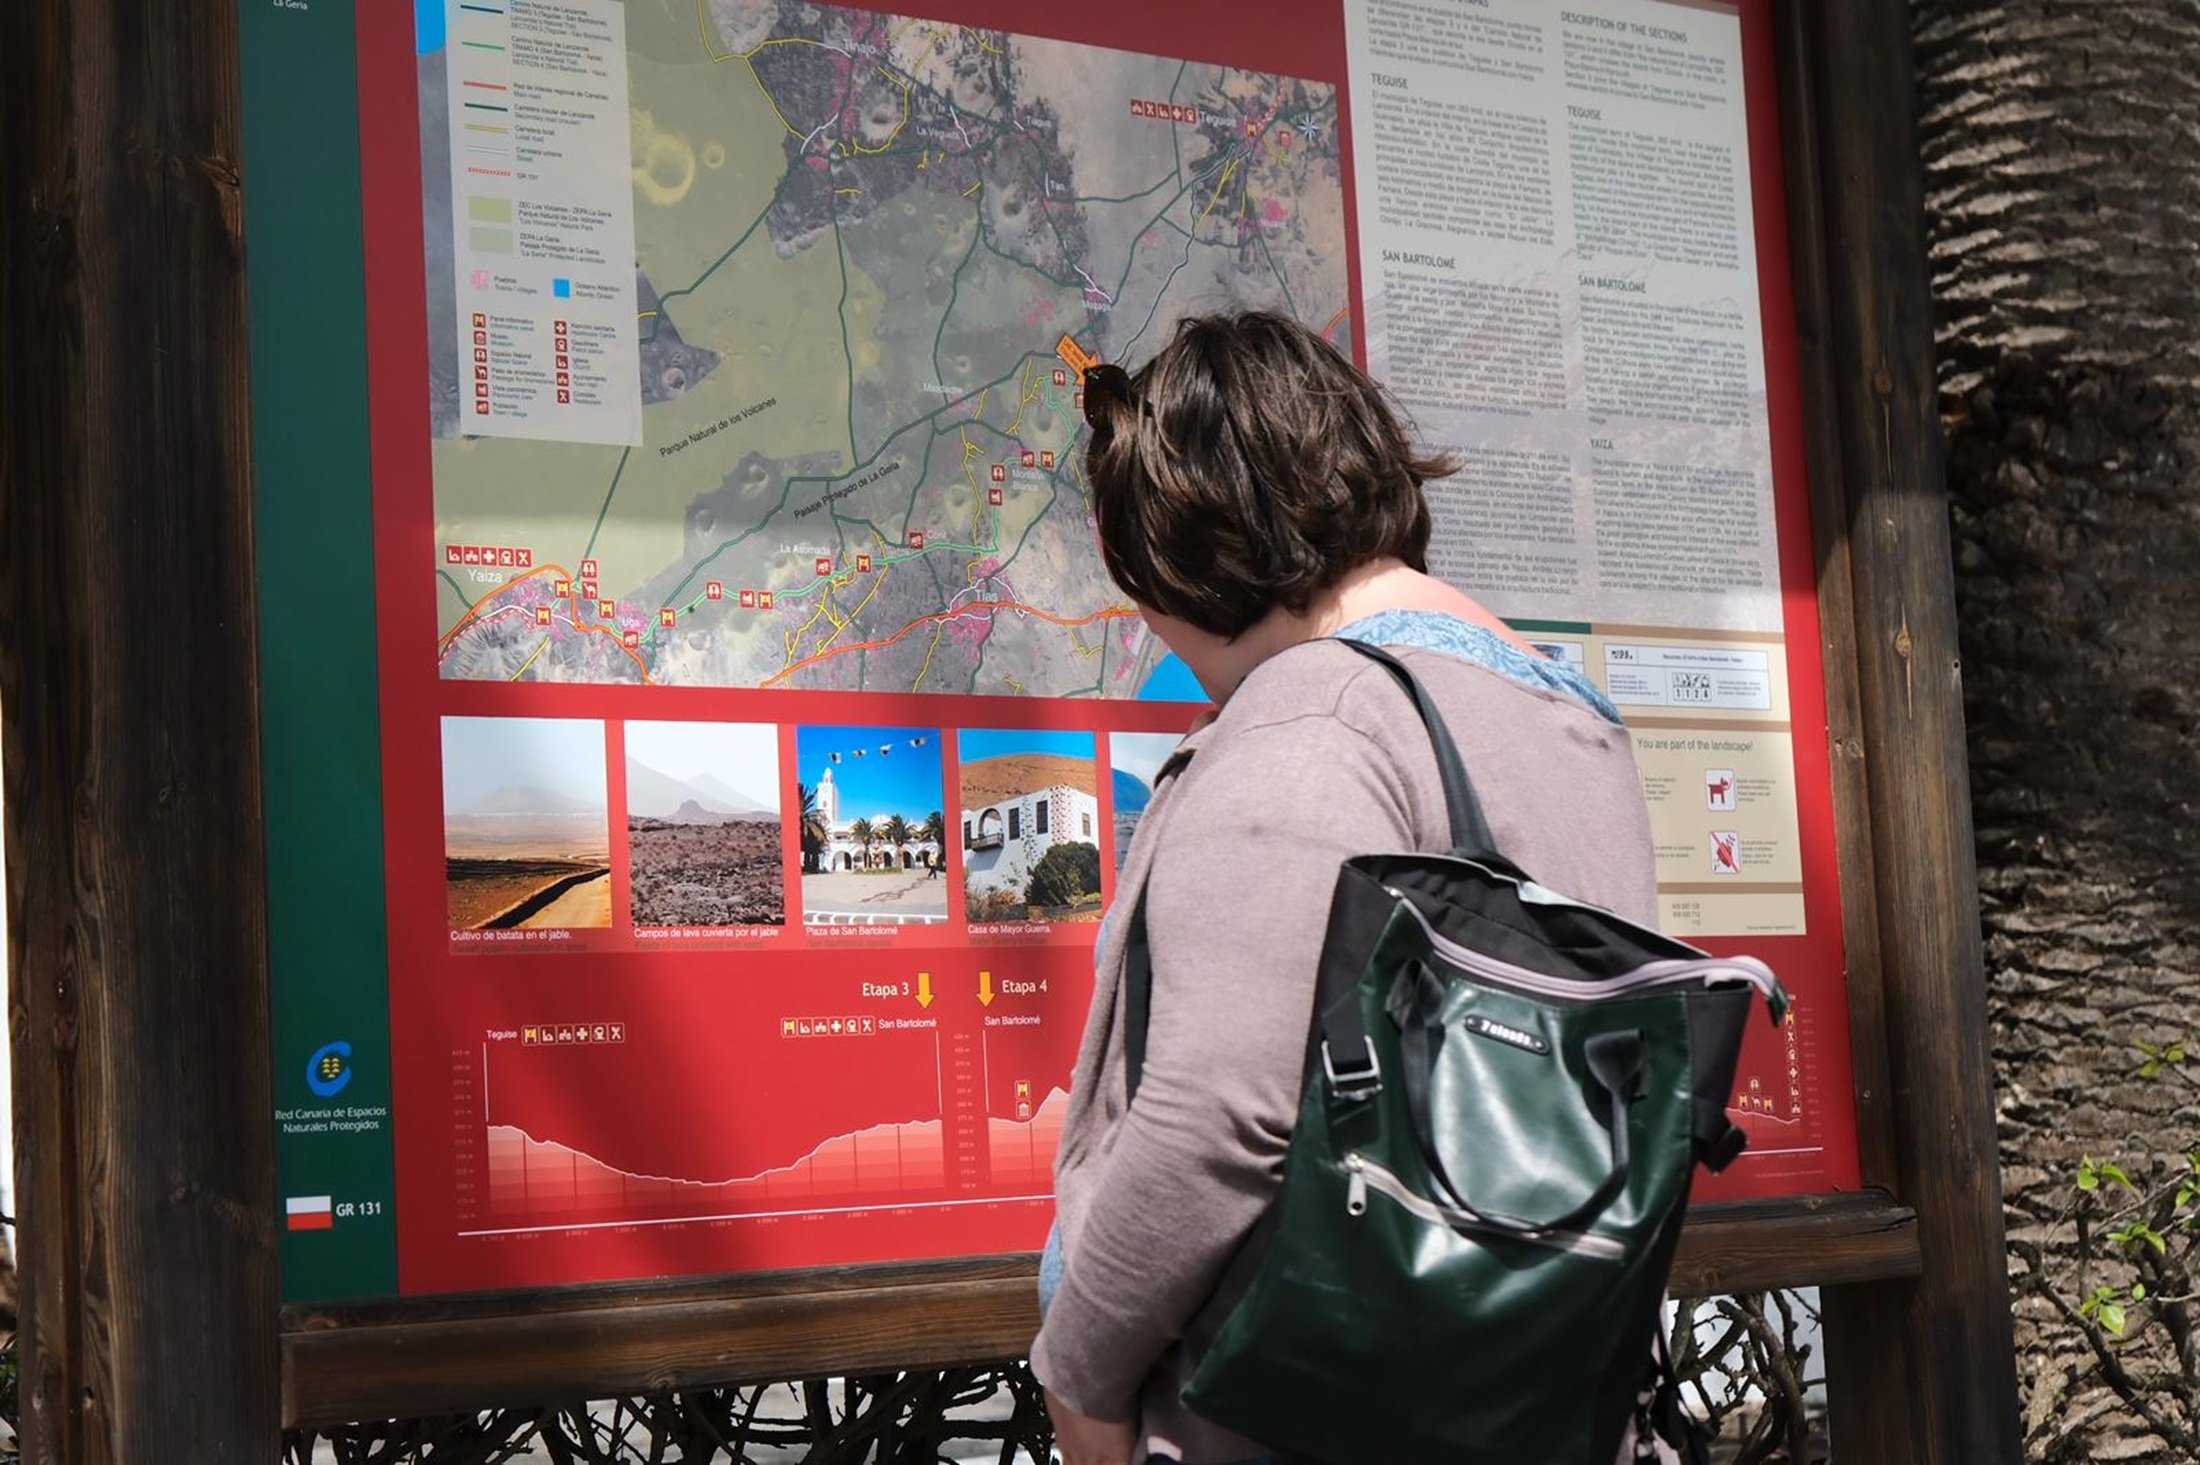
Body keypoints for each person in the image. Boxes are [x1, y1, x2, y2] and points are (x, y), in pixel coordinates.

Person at [1030, 312, 1662, 1465]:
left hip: (1292, 1412)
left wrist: (1079, 1375)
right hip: (1523, 1396)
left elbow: (1220, 1114)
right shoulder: (1571, 717)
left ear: (1180, 551)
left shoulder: (1311, 716)